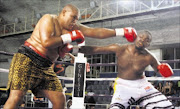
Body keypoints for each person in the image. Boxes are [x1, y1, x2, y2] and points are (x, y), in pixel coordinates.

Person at [4, 4, 137, 109]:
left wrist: (121, 32)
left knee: (60, 100)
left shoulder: (73, 28)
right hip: (28, 58)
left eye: (76, 19)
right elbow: (46, 42)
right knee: (17, 97)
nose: (74, 21)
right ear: (63, 13)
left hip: (45, 67)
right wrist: (70, 37)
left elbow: (95, 32)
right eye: (72, 17)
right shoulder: (48, 19)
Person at [77, 30, 174, 108]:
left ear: (148, 44)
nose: (142, 40)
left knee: (166, 106)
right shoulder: (120, 48)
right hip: (123, 86)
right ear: (135, 37)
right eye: (140, 37)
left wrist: (163, 70)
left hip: (143, 85)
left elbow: (158, 69)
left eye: (146, 40)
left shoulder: (149, 57)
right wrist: (73, 49)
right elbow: (95, 49)